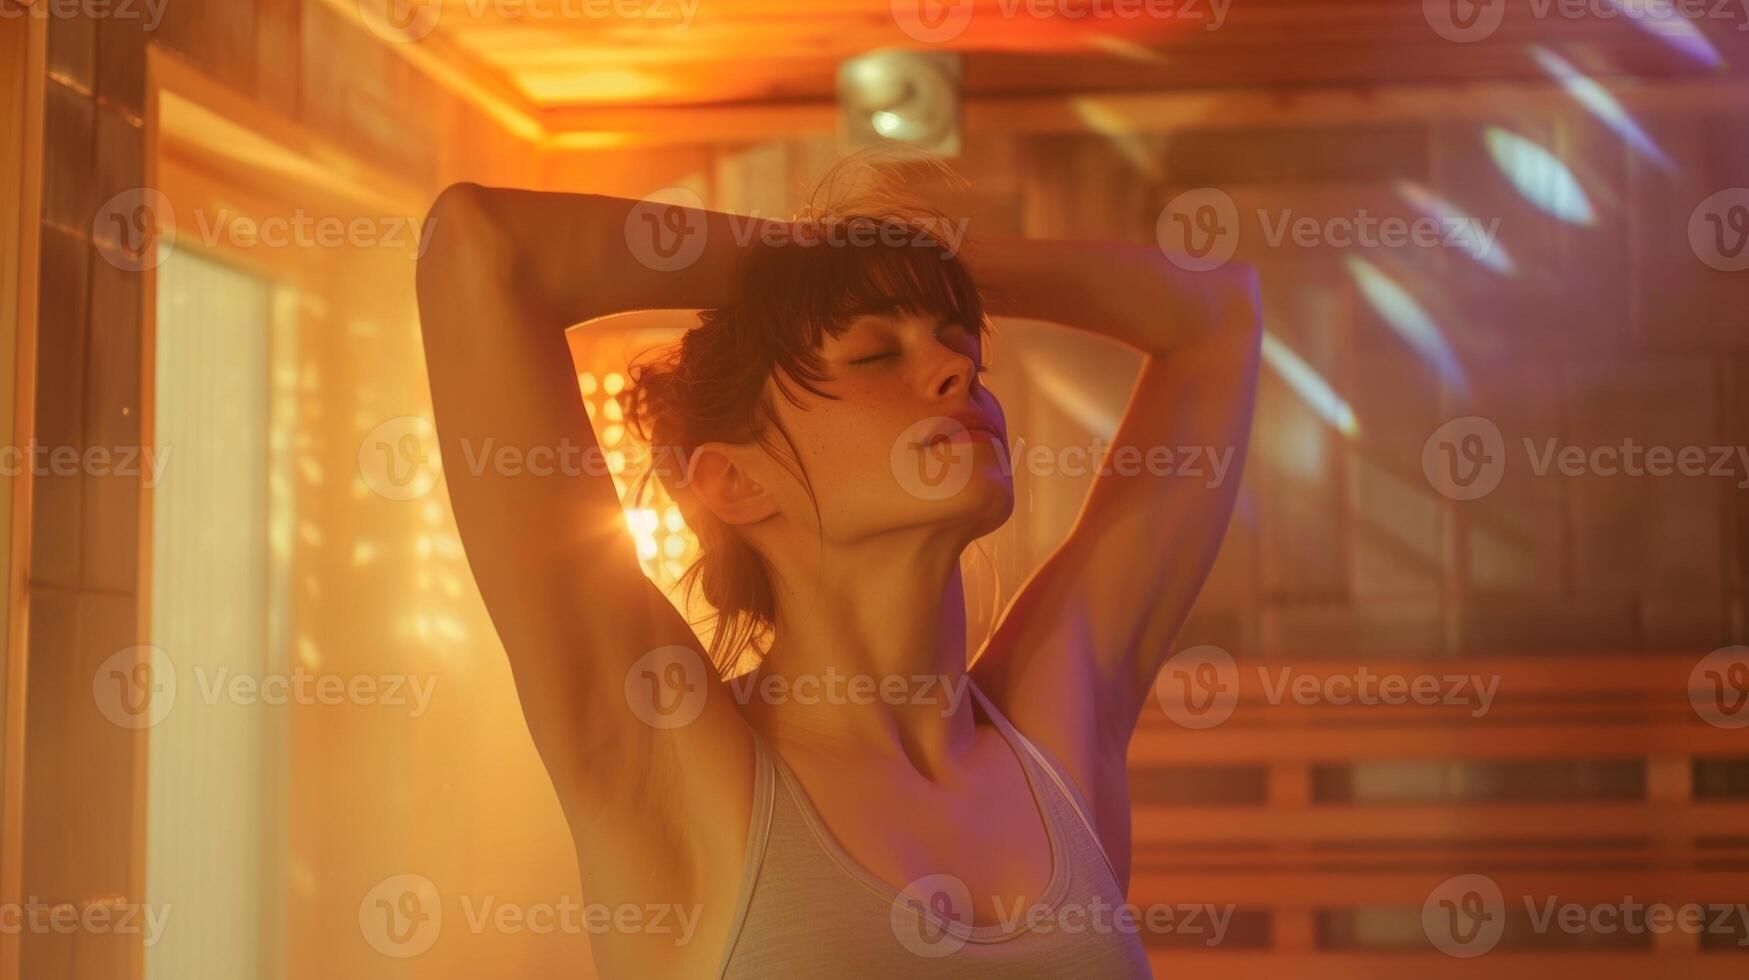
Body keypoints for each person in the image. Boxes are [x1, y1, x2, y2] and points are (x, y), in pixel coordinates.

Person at [414, 165, 1260, 978]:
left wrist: (891, 270)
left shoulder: (1055, 731)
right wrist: (835, 266)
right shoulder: (673, 759)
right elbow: (480, 247)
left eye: (960, 346)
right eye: (872, 355)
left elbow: (1217, 312)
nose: (957, 369)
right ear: (736, 481)